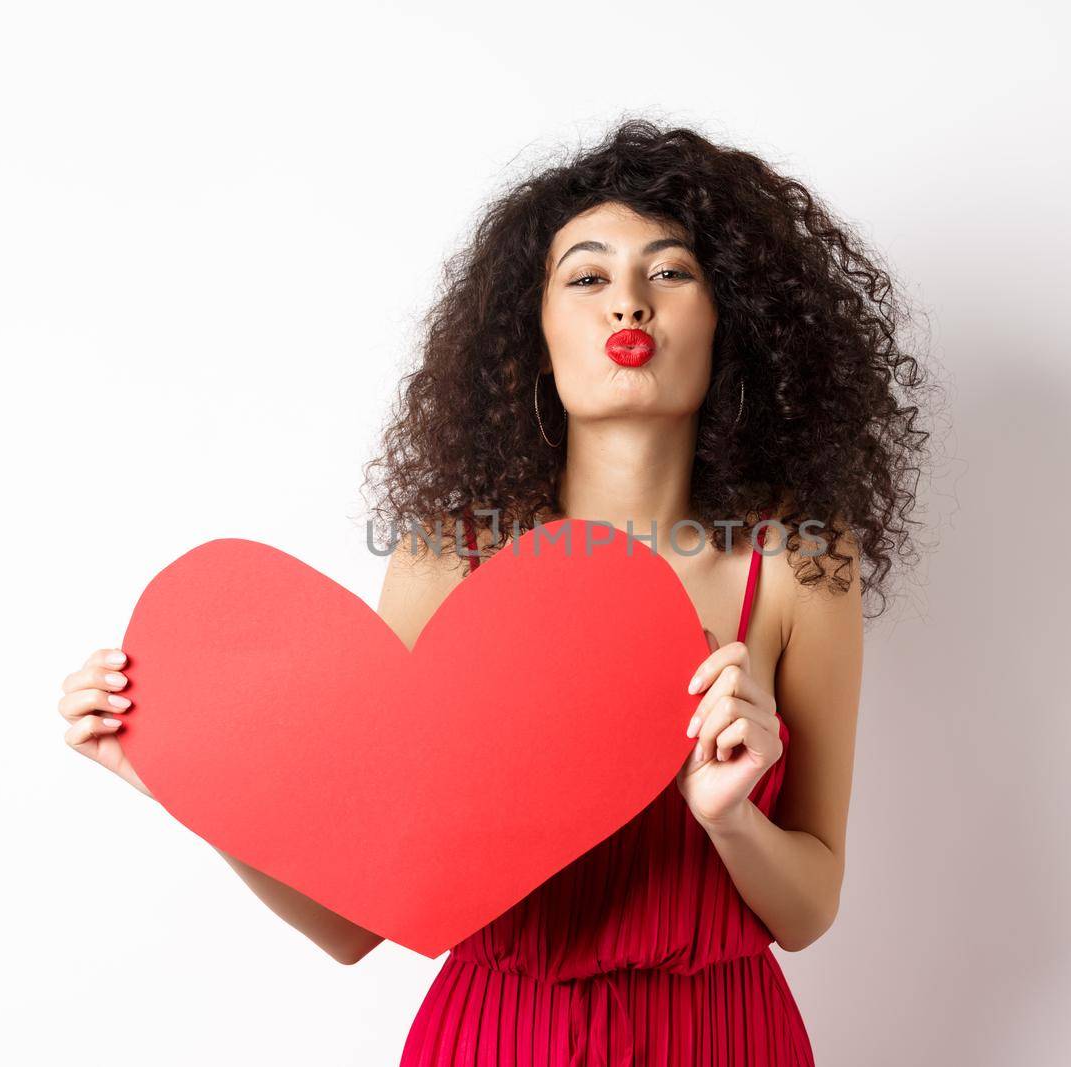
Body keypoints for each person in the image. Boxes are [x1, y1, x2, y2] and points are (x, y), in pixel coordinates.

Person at [58, 117, 932, 1065]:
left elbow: (809, 907)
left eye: (671, 272)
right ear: (536, 327)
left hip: (725, 1038)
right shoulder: (451, 557)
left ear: (735, 317)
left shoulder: (799, 564)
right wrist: (186, 780)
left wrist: (728, 819)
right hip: (497, 1037)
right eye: (587, 277)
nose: (628, 305)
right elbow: (357, 925)